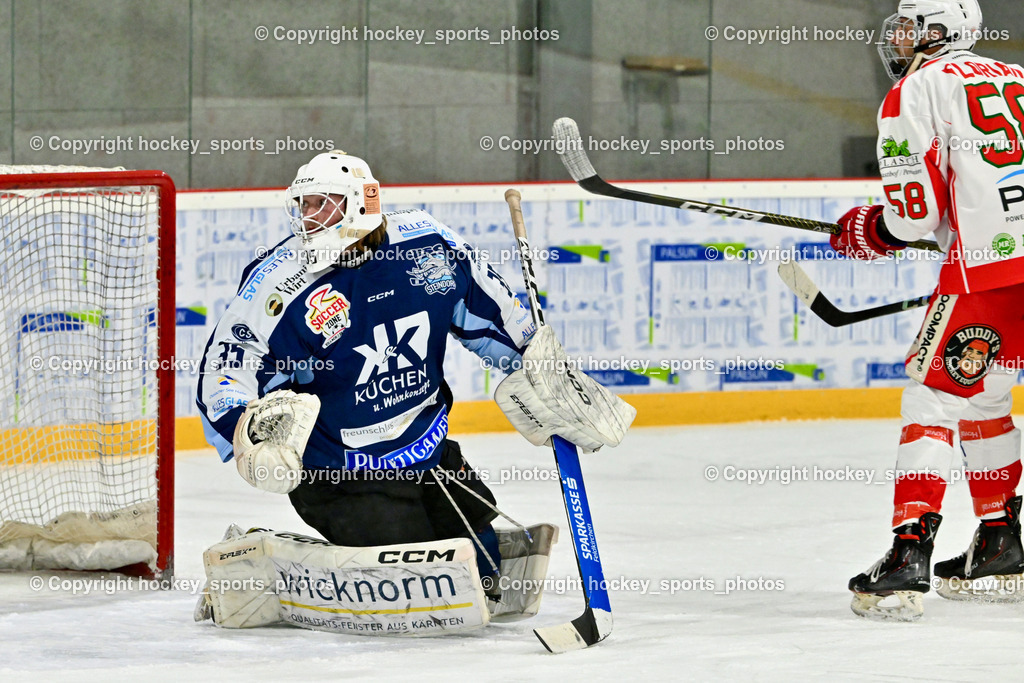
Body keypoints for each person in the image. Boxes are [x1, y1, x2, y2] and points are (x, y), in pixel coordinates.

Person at [195, 150, 635, 621]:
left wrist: (543, 370)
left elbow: (495, 314)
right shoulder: (279, 283)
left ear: (361, 203)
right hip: (340, 478)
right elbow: (223, 373)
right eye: (303, 205)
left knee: (487, 569)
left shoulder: (428, 245)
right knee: (423, 584)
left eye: (322, 203)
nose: (308, 217)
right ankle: (256, 563)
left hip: (428, 455)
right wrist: (249, 431)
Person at [833, 0, 1024, 620]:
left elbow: (914, 215)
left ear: (941, 31)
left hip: (987, 273)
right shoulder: (1018, 76)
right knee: (987, 397)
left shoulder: (916, 90)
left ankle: (908, 556)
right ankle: (999, 542)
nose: (898, 39)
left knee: (933, 402)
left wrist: (872, 230)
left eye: (909, 27)